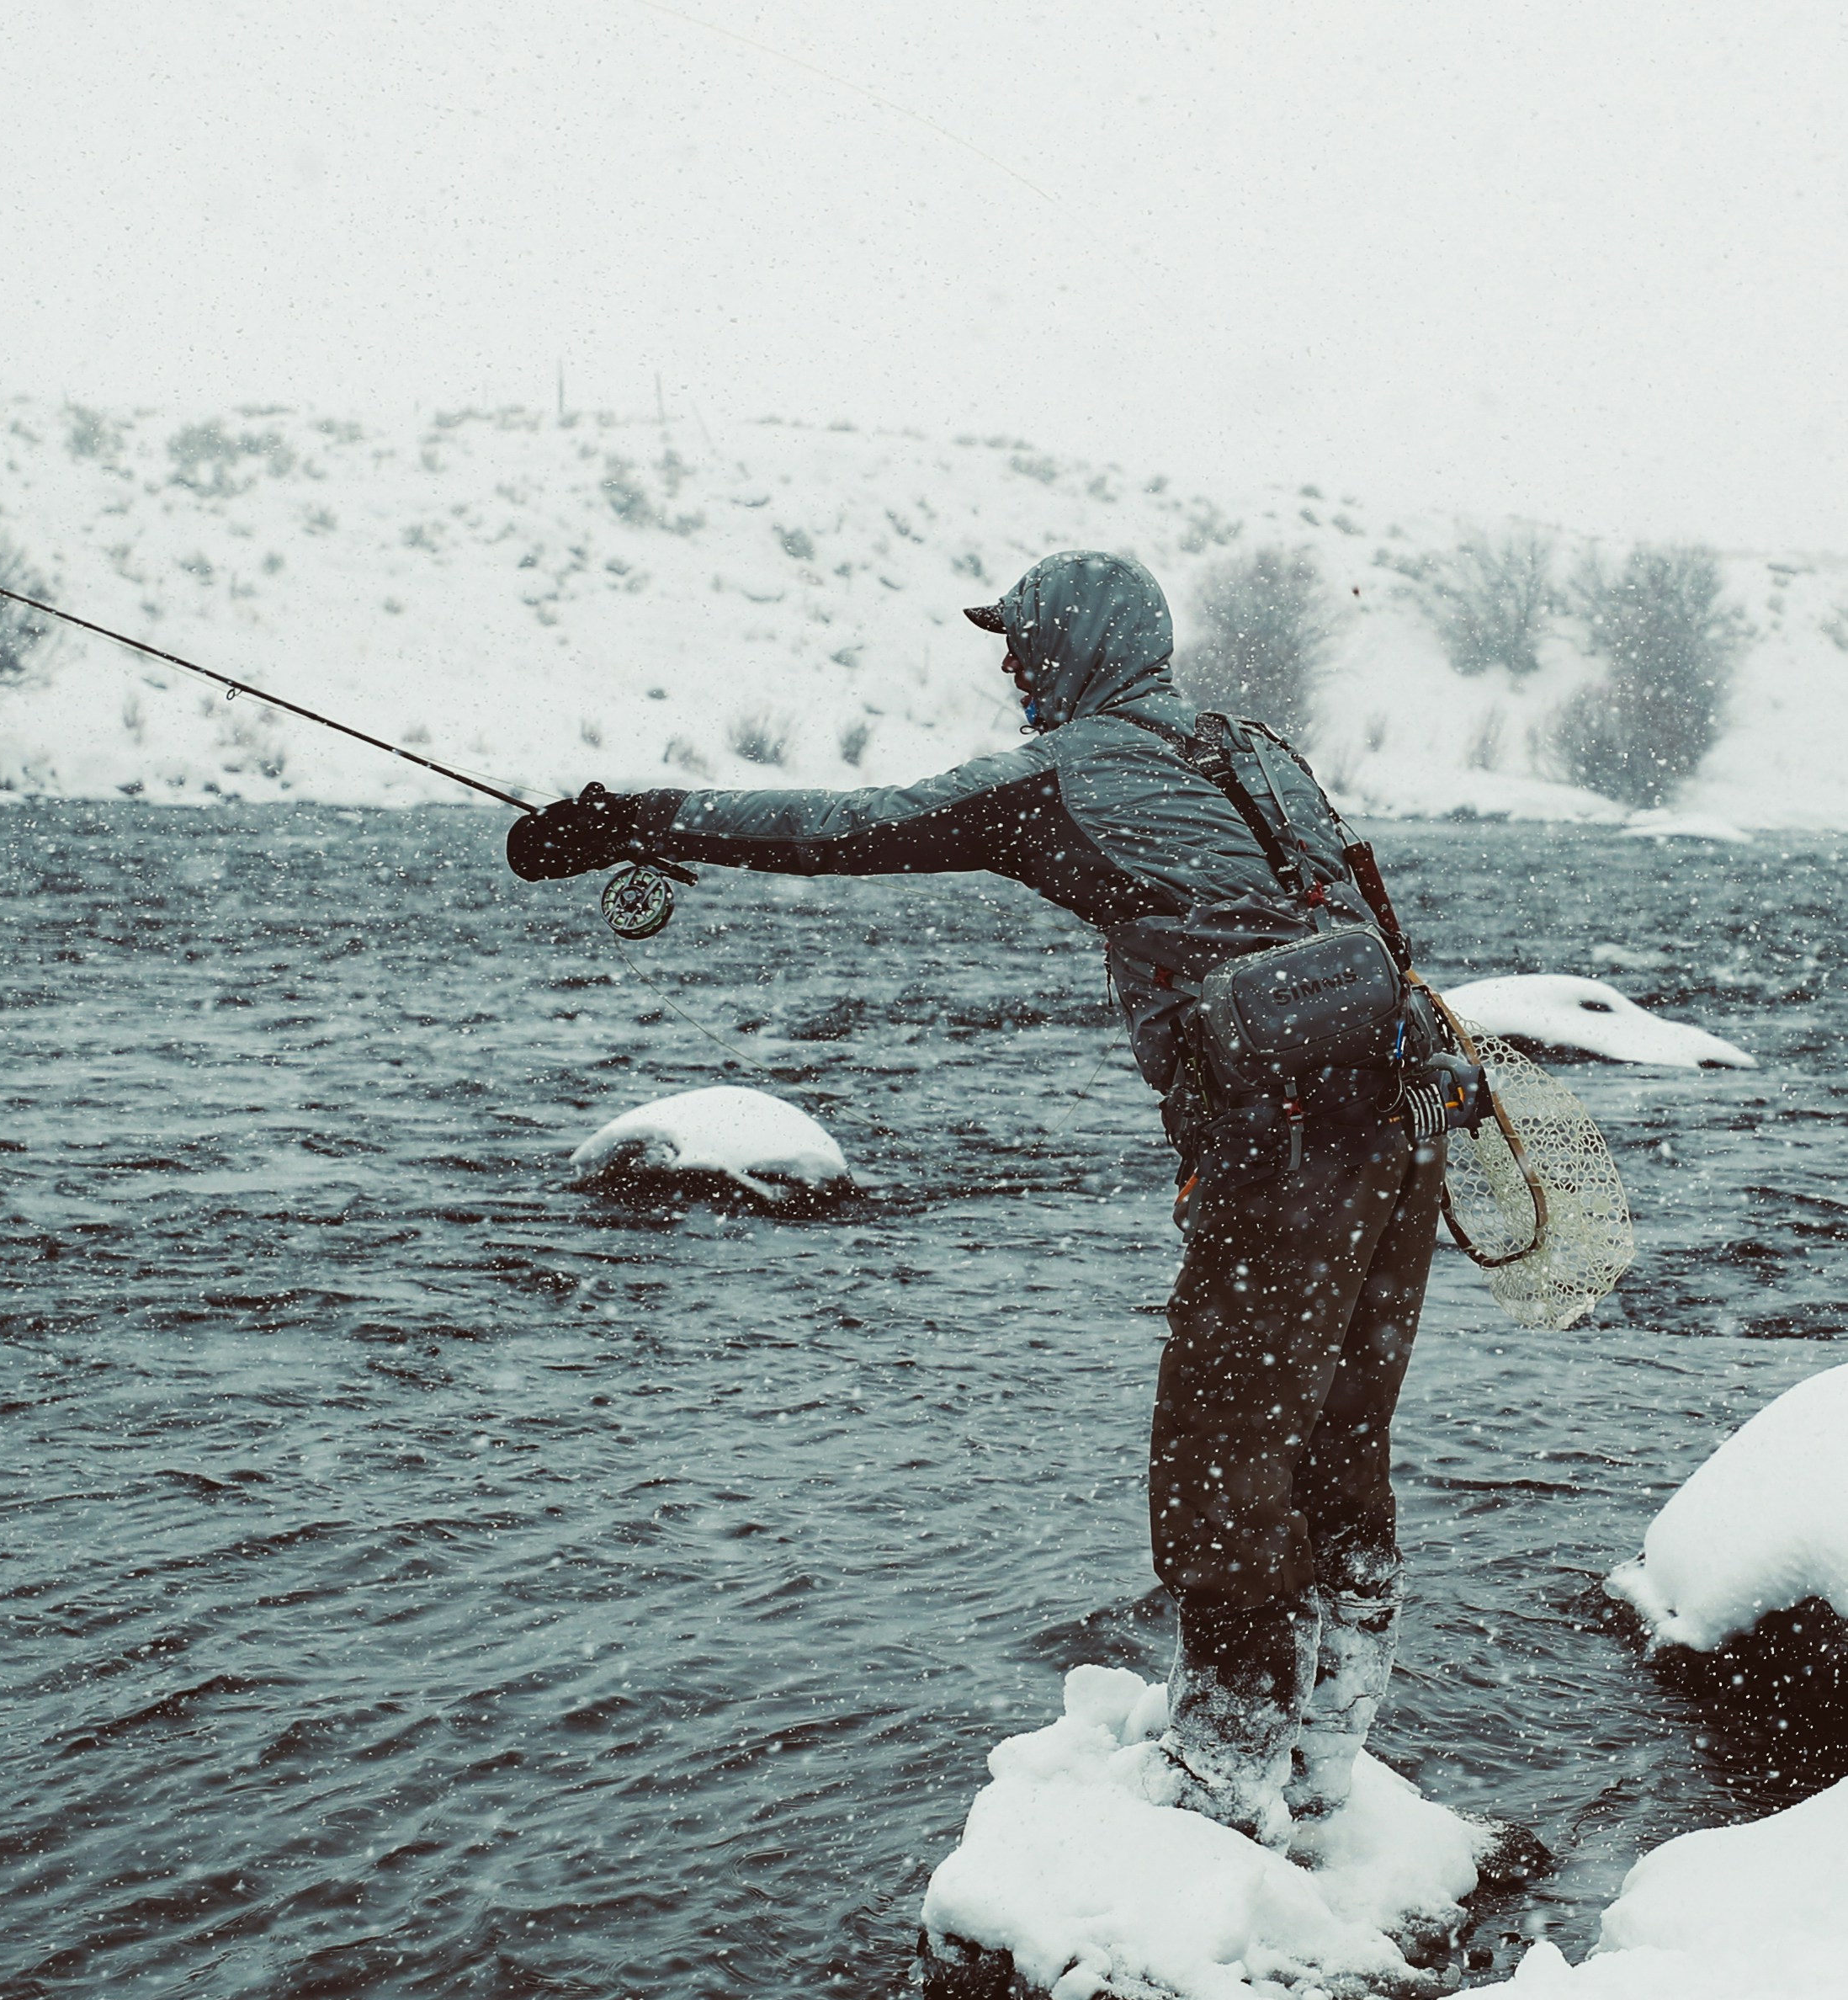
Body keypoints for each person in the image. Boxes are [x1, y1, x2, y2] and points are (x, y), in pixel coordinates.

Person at [506, 550, 1453, 1854]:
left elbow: (850, 827)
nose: (1012, 668)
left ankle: (1223, 1766)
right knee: (1338, 1445)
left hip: (1282, 1143)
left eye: (1024, 644)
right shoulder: (1256, 748)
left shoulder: (1056, 774)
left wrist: (635, 817)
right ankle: (1326, 1751)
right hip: (1402, 1119)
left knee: (1215, 1456)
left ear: (1076, 648)